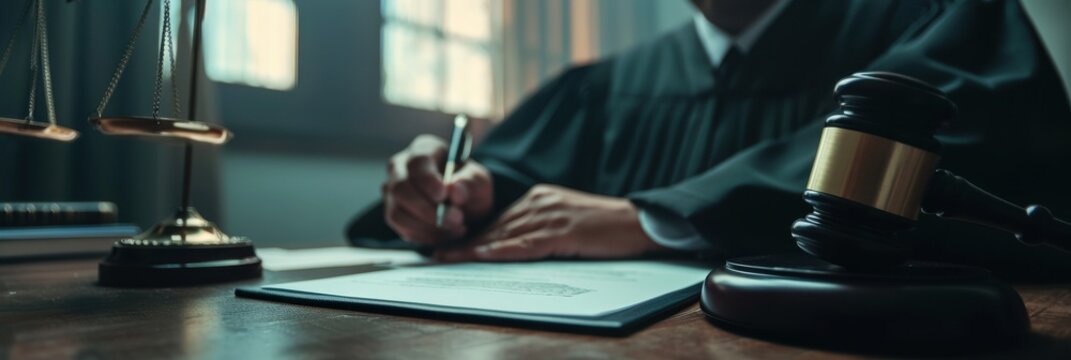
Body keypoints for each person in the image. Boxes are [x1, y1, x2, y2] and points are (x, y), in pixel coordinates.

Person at [349, 0, 1071, 276]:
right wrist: (471, 194)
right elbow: (517, 175)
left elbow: (965, 149)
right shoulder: (604, 83)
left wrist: (649, 217)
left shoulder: (923, 18)